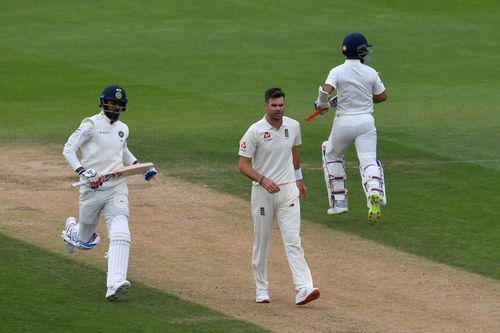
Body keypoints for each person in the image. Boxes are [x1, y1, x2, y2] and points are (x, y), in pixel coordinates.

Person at [61, 84, 158, 300]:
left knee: (121, 231)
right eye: (111, 102)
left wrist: (142, 168)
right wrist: (83, 171)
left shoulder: (123, 128)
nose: (114, 106)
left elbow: (122, 151)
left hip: (116, 188)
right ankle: (71, 231)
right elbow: (68, 148)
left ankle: (115, 283)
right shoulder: (90, 125)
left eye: (118, 104)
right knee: (85, 241)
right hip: (91, 189)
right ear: (103, 102)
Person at [239, 87, 320, 305]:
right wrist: (263, 180)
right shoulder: (255, 131)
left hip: (288, 192)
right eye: (274, 106)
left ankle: (303, 288)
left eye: (281, 105)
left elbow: (294, 153)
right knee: (262, 241)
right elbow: (243, 165)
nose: (278, 109)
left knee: (293, 241)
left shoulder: (293, 126)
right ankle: (261, 288)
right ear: (265, 105)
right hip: (263, 193)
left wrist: (299, 179)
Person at [314, 32, 387, 224]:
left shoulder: (337, 71)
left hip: (343, 122)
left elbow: (326, 91)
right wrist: (361, 99)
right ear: (360, 51)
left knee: (331, 154)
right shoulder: (371, 72)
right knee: (368, 160)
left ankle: (339, 203)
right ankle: (374, 192)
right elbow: (382, 96)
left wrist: (321, 104)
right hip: (365, 122)